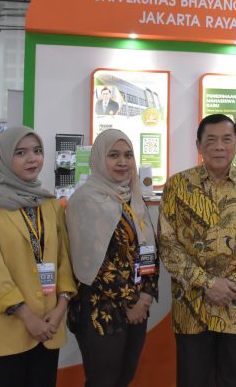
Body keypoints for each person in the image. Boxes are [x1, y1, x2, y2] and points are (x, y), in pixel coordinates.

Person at [158, 113, 236, 387]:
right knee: (194, 380)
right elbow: (167, 243)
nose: (219, 146)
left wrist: (234, 285)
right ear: (199, 145)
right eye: (211, 140)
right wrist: (208, 283)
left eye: (226, 139)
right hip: (192, 307)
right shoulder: (177, 186)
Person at [0, 126, 77, 387]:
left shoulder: (49, 204)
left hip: (48, 327)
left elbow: (63, 260)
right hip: (5, 329)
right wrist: (28, 317)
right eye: (21, 153)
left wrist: (60, 308)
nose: (32, 159)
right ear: (4, 157)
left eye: (37, 151)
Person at [66, 129, 158, 387]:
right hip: (100, 310)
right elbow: (92, 262)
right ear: (98, 159)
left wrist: (147, 295)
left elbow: (149, 248)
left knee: (125, 377)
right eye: (113, 155)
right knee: (102, 381)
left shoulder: (133, 197)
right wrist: (131, 302)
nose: (122, 162)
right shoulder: (85, 200)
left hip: (138, 306)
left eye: (128, 155)